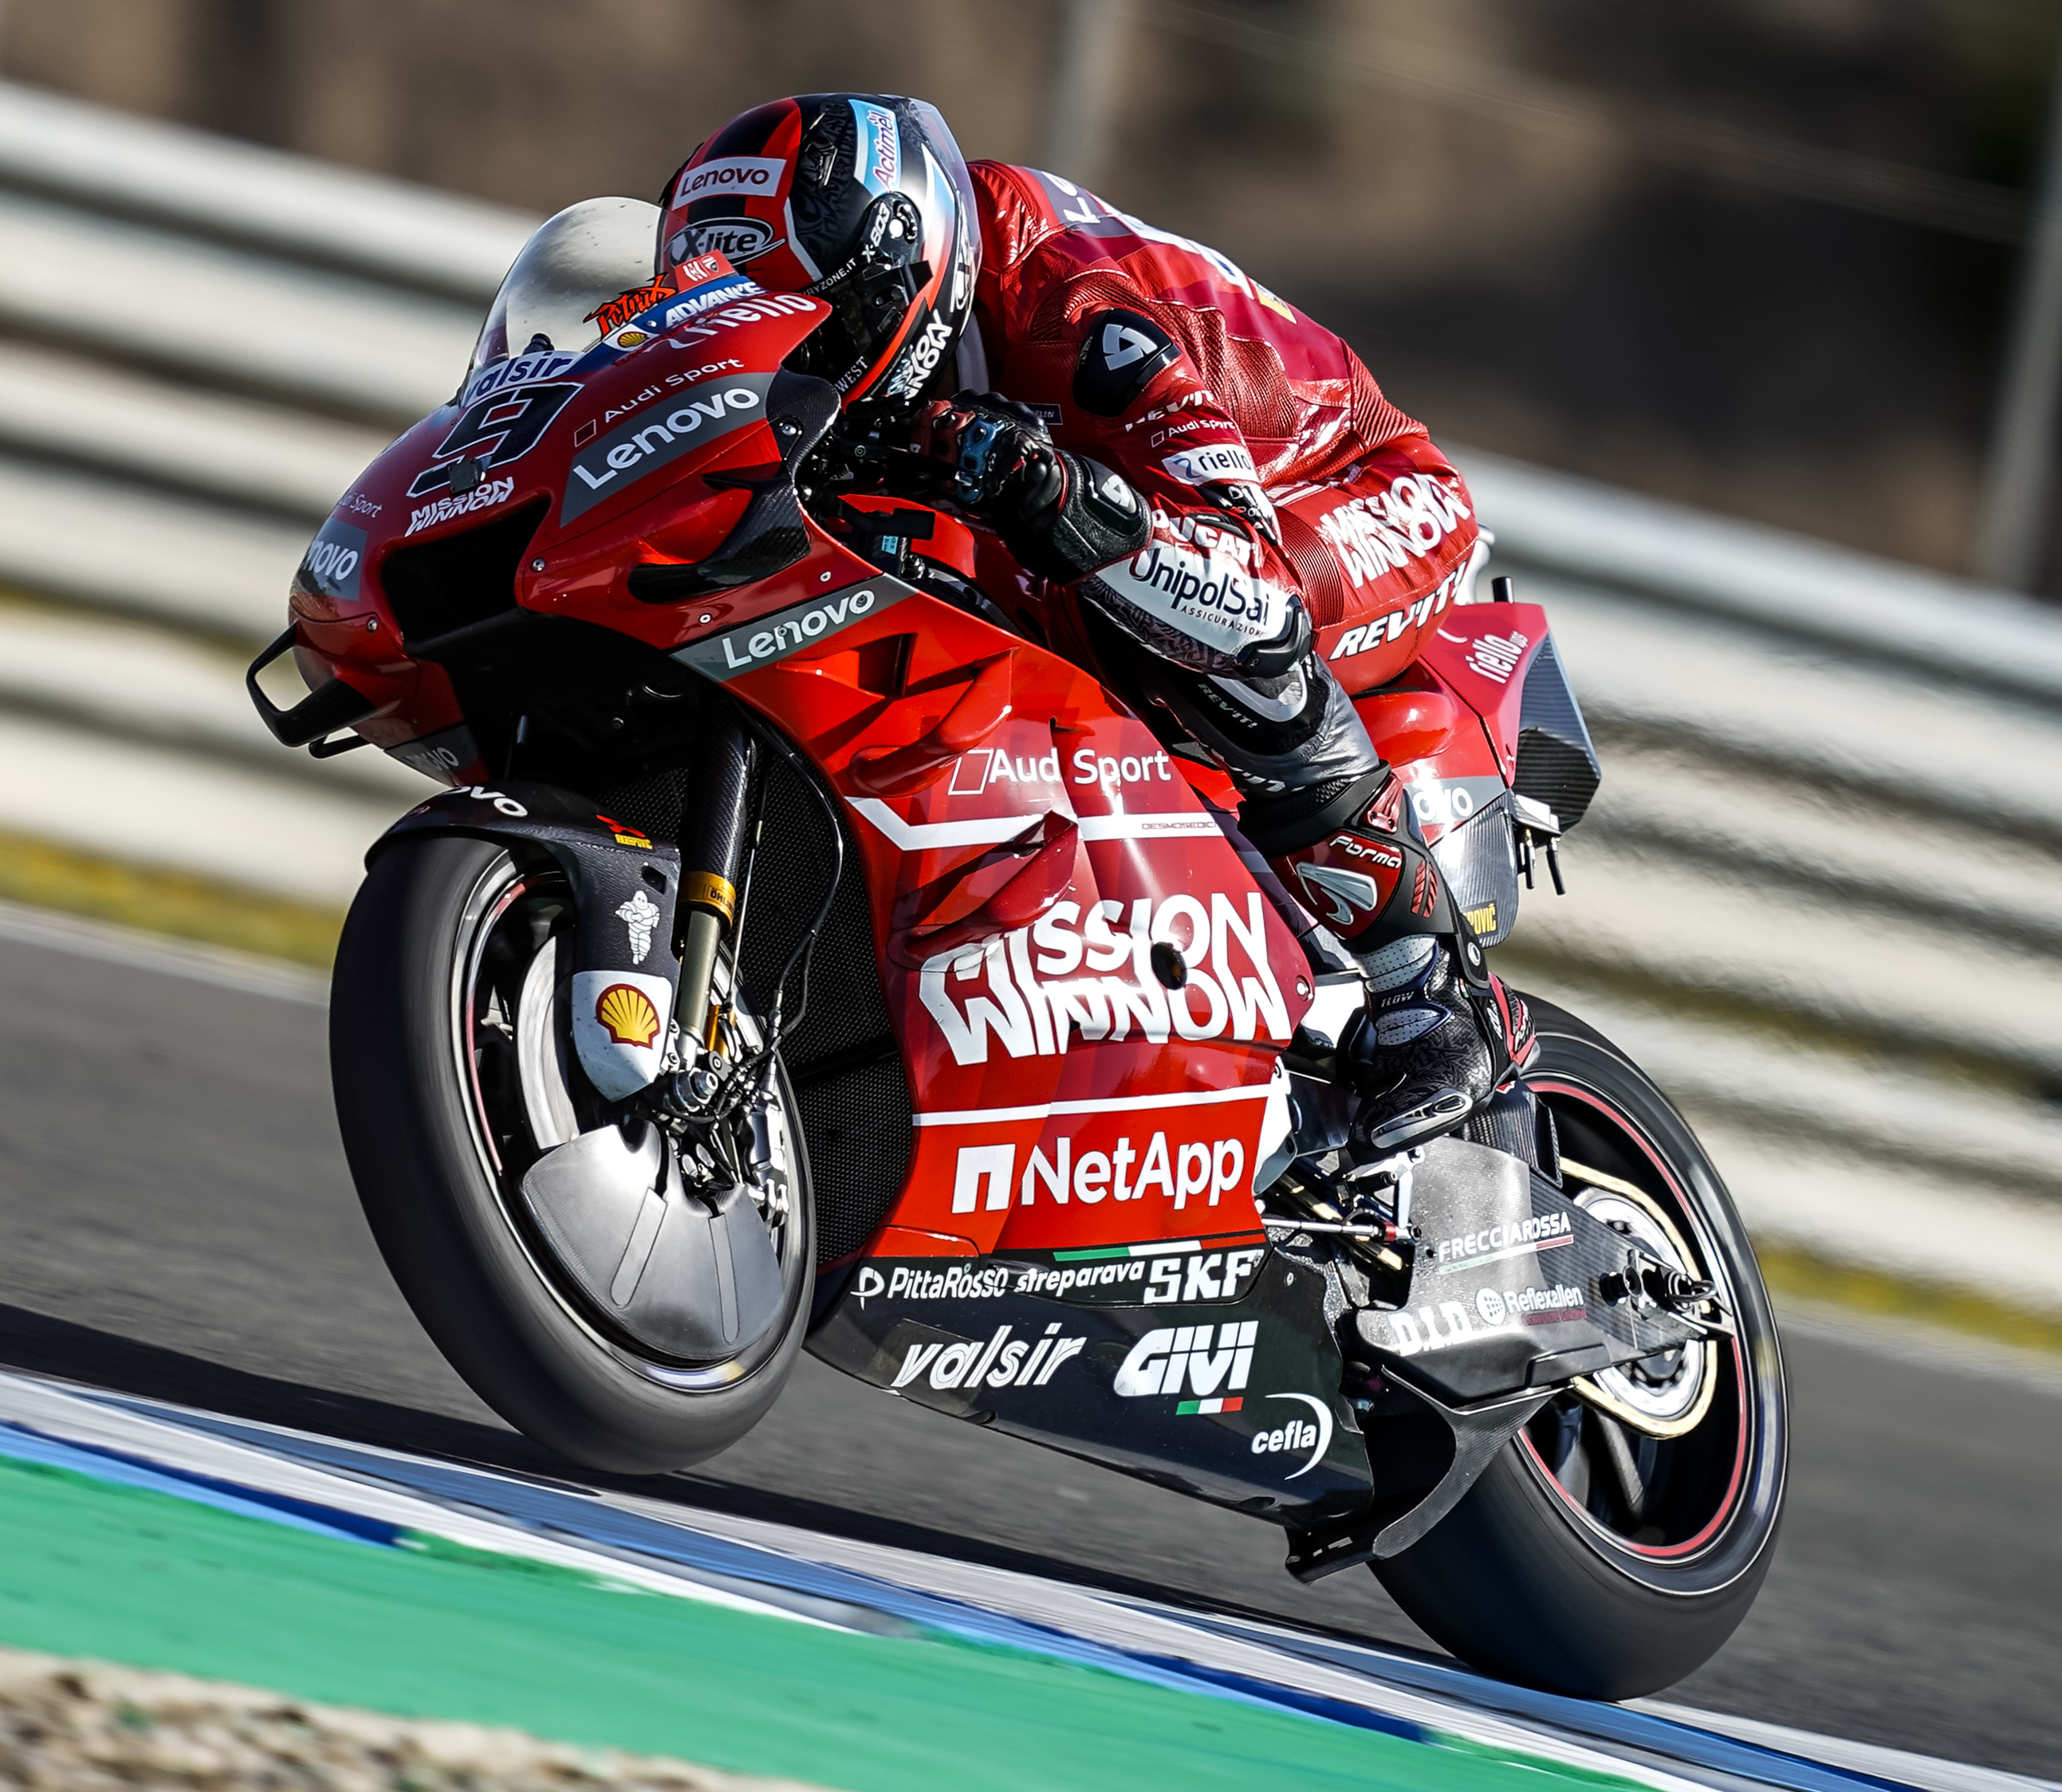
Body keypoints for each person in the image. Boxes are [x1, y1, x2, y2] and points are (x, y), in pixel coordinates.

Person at [648, 92, 1533, 1157]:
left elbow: (1242, 584)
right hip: (1175, 509)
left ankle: (1429, 991)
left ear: (902, 270)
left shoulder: (1065, 302)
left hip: (1343, 486)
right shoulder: (883, 319)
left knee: (1145, 600)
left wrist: (1053, 493)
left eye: (821, 323)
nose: (802, 357)